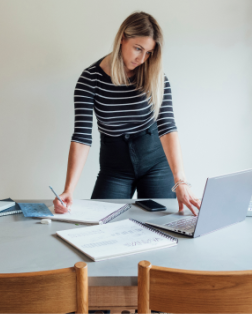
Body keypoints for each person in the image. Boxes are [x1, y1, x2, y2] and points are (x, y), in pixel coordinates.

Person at [54, 12, 200, 216]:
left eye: (149, 52)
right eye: (138, 48)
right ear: (122, 38)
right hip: (115, 167)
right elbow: (81, 137)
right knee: (99, 221)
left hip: (155, 162)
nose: (142, 58)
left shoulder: (157, 77)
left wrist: (181, 181)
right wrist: (69, 190)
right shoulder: (90, 79)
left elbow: (167, 127)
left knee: (164, 222)